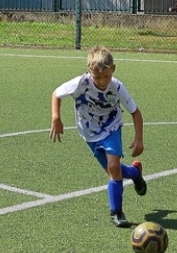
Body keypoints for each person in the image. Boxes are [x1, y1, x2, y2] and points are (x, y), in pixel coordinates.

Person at [50, 46, 148, 228]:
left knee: (113, 167)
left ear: (114, 70)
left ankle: (116, 213)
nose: (102, 81)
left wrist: (139, 138)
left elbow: (135, 112)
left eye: (106, 76)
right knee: (113, 171)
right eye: (97, 77)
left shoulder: (117, 87)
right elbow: (56, 94)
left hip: (112, 128)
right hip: (89, 134)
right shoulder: (80, 83)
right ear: (89, 71)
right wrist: (56, 117)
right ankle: (135, 173)